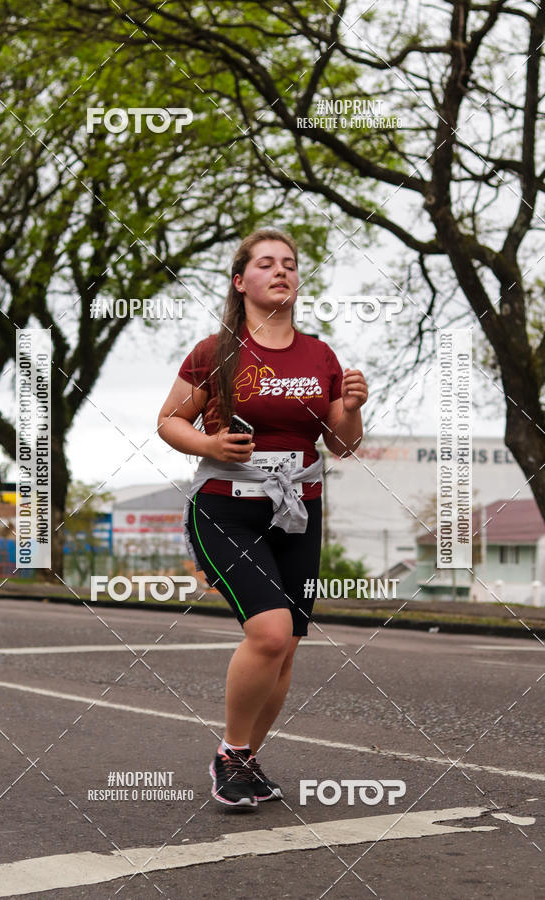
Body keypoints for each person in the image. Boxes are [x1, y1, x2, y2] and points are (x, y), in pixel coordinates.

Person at [157, 228, 367, 810]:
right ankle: (229, 753)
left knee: (289, 645)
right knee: (269, 631)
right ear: (240, 280)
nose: (282, 272)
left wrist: (349, 410)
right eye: (267, 263)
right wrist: (209, 445)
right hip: (226, 508)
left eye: (291, 265)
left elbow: (342, 445)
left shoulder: (320, 355)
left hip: (299, 510)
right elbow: (168, 421)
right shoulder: (216, 350)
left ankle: (245, 760)